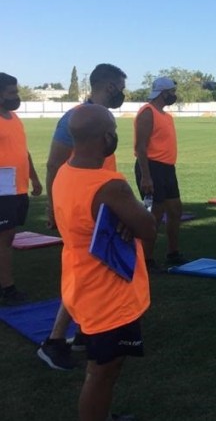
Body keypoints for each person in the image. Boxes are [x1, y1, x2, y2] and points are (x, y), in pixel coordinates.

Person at [52, 104, 154, 421]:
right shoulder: (110, 186)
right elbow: (149, 229)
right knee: (102, 372)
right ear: (106, 138)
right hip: (108, 294)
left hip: (79, 282)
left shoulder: (64, 173)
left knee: (102, 368)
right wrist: (130, 220)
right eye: (114, 131)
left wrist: (123, 221)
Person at [39, 63, 127, 371]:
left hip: (101, 202)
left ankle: (83, 332)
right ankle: (54, 341)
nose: (123, 93)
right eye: (121, 87)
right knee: (82, 272)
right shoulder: (75, 118)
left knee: (95, 270)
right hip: (81, 206)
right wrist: (53, 206)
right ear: (110, 87)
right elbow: (54, 164)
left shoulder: (101, 116)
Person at [134, 77, 188, 269]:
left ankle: (172, 253)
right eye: (171, 92)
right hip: (152, 167)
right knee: (155, 215)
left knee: (175, 210)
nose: (174, 95)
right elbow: (140, 147)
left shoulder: (166, 116)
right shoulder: (147, 112)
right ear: (163, 93)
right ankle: (146, 259)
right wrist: (146, 176)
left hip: (167, 169)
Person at [0, 73, 43, 305]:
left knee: (8, 236)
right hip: (2, 189)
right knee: (5, 238)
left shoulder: (14, 118)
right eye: (12, 92)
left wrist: (34, 178)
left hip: (17, 188)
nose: (16, 96)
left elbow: (23, 151)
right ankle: (7, 289)